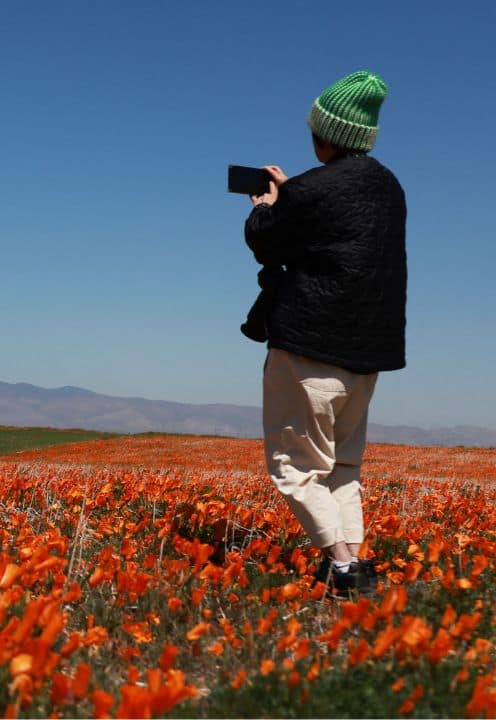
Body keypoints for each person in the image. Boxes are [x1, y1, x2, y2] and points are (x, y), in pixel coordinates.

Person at [242, 71, 407, 597]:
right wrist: (294, 195)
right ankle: (355, 566)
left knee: (295, 466)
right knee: (343, 465)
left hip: (309, 345)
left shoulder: (311, 189)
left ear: (324, 134)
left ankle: (339, 566)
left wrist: (268, 206)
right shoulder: (389, 188)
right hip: (368, 353)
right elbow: (337, 233)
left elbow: (269, 243)